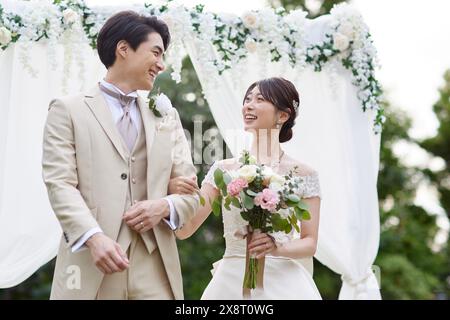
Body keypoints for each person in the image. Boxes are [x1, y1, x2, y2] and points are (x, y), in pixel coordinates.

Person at [42, 10, 198, 299]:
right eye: (156, 52)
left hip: (156, 266)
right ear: (123, 48)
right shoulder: (67, 110)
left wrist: (164, 206)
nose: (161, 65)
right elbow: (60, 183)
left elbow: (191, 193)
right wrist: (94, 237)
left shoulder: (167, 116)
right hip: (91, 263)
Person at [169, 77, 322, 299]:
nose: (248, 105)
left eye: (260, 99)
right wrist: (173, 193)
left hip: (285, 285)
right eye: (247, 99)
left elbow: (310, 243)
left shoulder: (305, 174)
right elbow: (186, 228)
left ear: (283, 115)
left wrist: (275, 248)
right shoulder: (223, 170)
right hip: (230, 283)